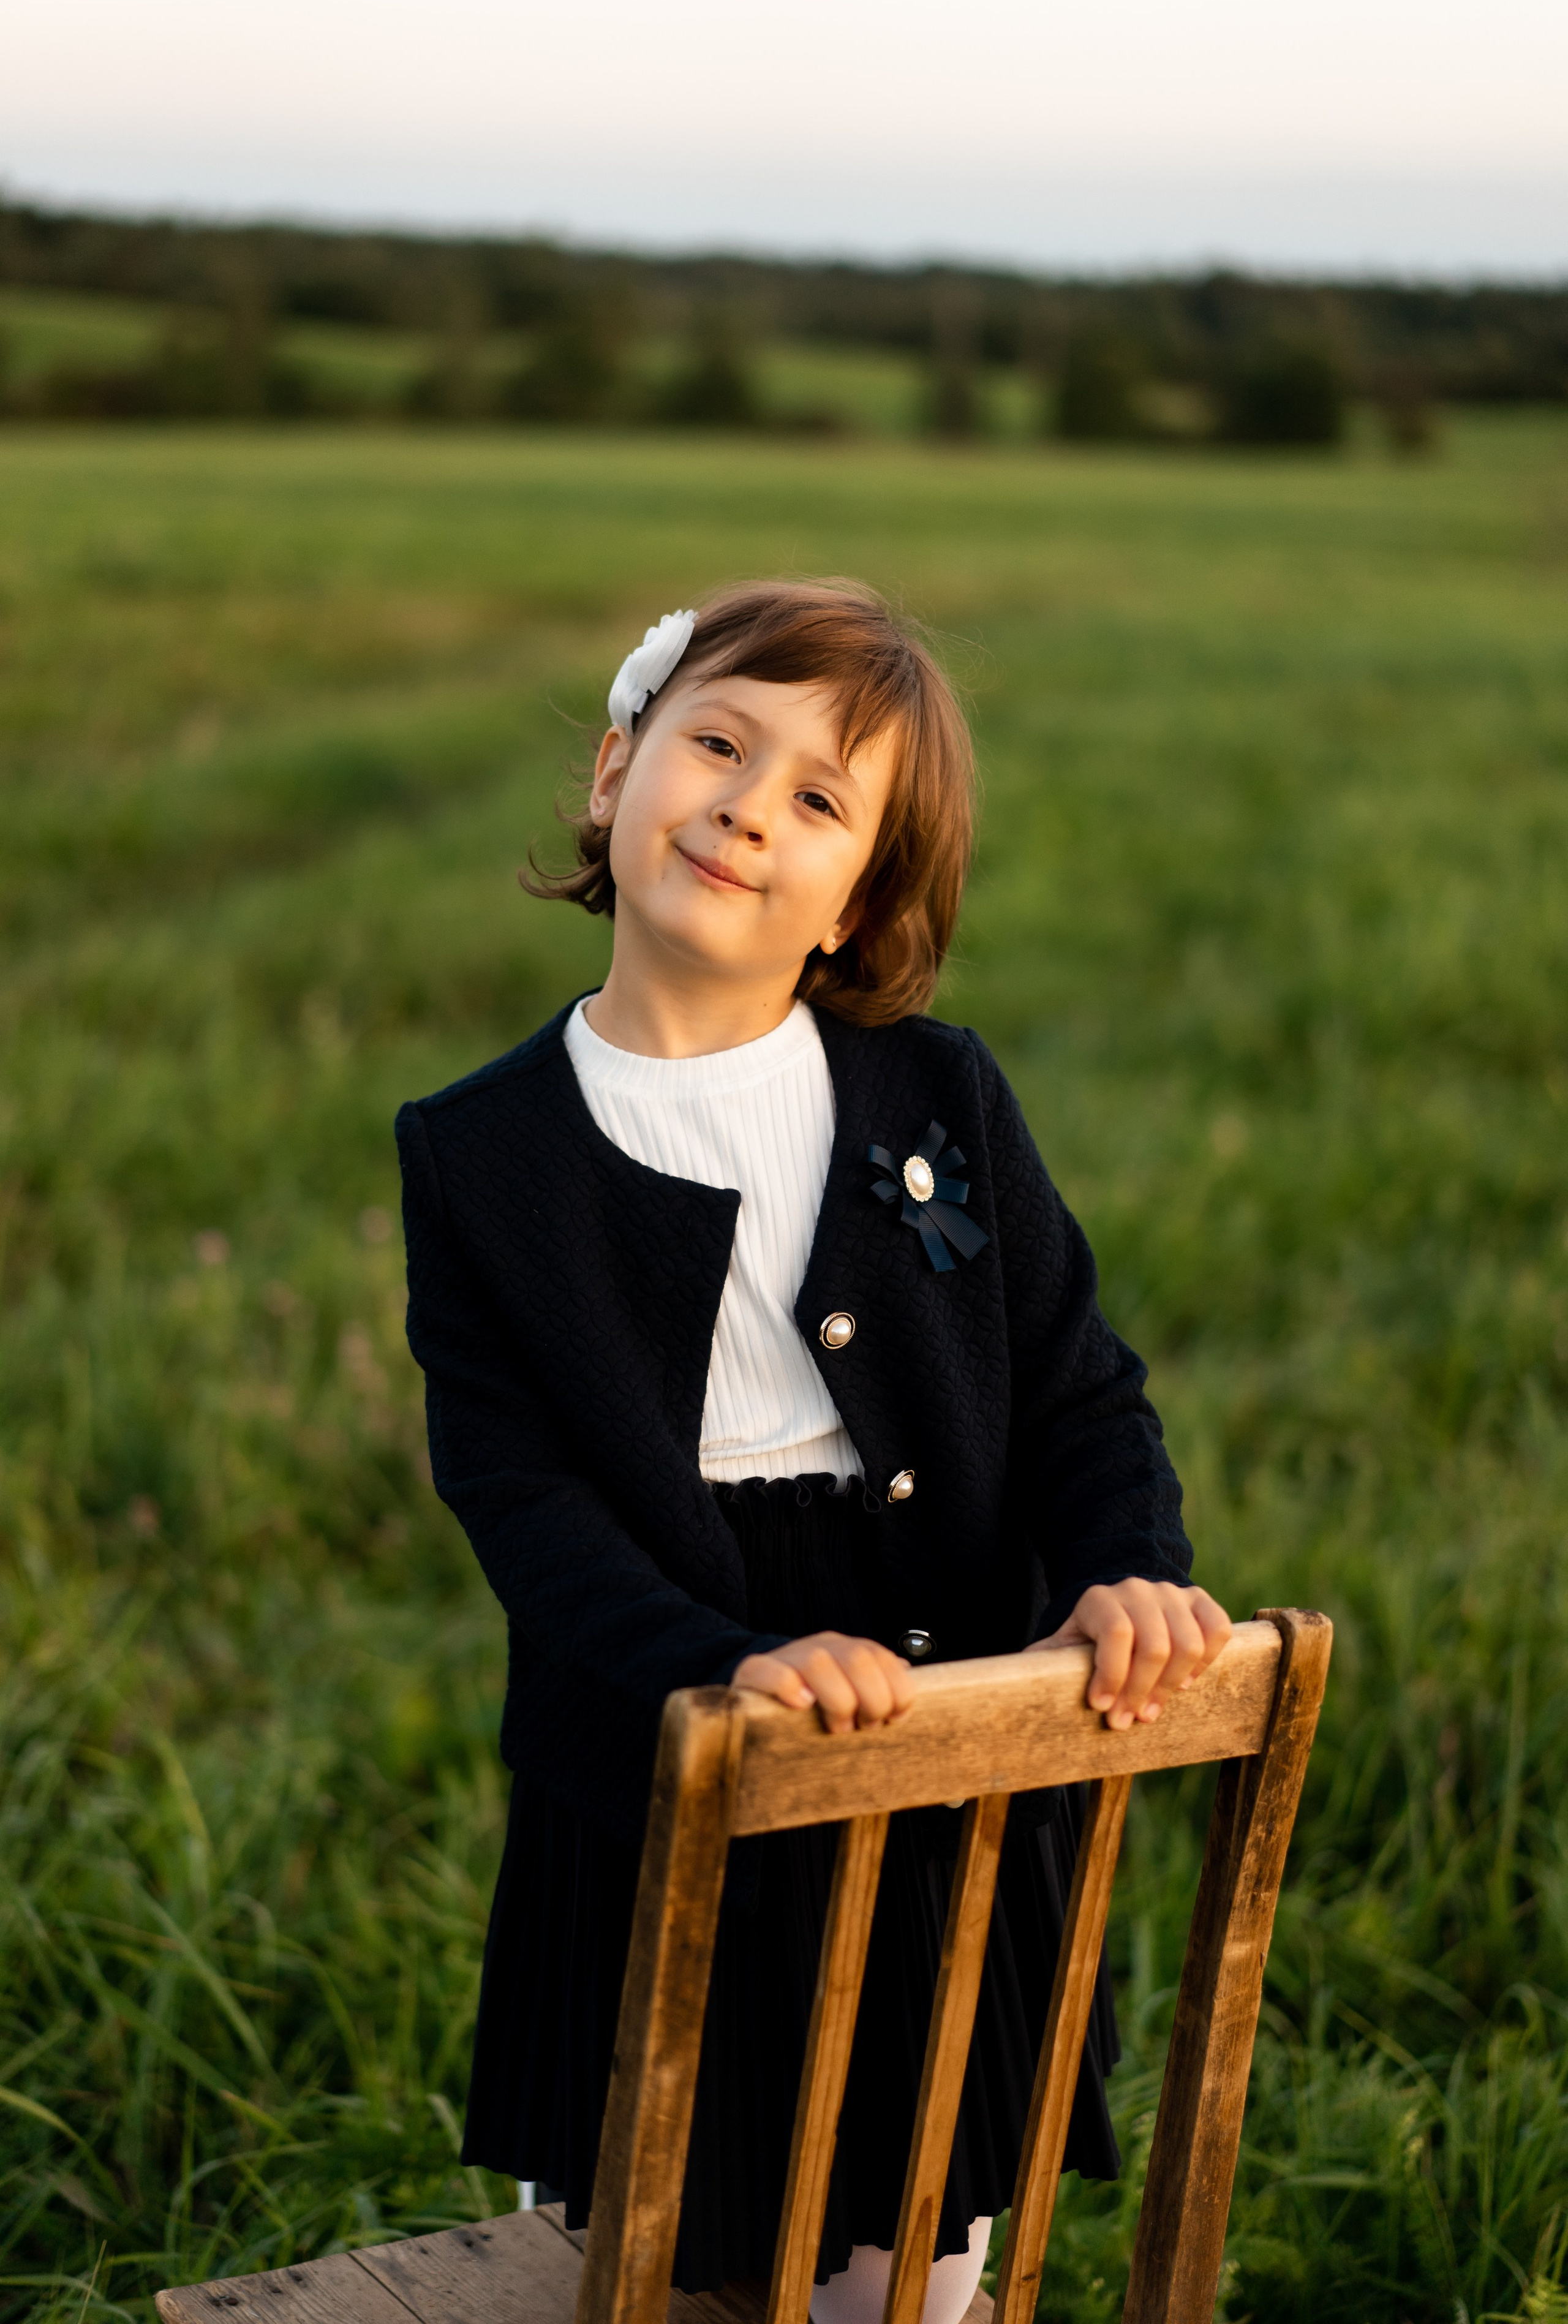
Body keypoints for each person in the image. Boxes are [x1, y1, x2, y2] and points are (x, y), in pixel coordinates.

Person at [396, 579, 1232, 2324]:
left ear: (861, 899)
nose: (748, 806)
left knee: (904, 2217)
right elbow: (518, 1493)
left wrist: (1124, 1568)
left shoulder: (936, 1094)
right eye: (717, 742)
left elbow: (1075, 1382)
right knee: (665, 2213)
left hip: (929, 1687)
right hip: (669, 1698)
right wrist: (717, 1667)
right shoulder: (482, 1152)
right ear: (618, 768)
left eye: (820, 799)